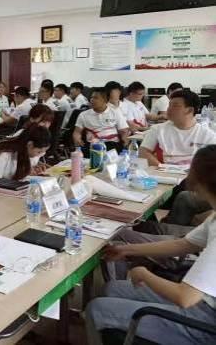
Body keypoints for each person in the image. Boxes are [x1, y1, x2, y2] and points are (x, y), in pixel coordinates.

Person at [86, 145, 216, 345]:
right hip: (204, 302)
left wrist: (144, 274)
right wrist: (126, 249)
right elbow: (184, 244)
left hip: (205, 321)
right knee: (112, 288)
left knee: (97, 309)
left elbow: (185, 297)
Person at [140, 90, 216, 167]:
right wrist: (162, 167)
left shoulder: (207, 135)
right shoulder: (157, 129)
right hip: (163, 172)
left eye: (175, 106)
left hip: (194, 173)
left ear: (190, 110)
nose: (169, 109)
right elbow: (143, 152)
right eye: (169, 105)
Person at [0, 125, 52, 189]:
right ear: (30, 145)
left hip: (12, 188)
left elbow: (20, 169)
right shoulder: (3, 153)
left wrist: (31, 170)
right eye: (39, 152)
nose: (41, 154)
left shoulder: (25, 150)